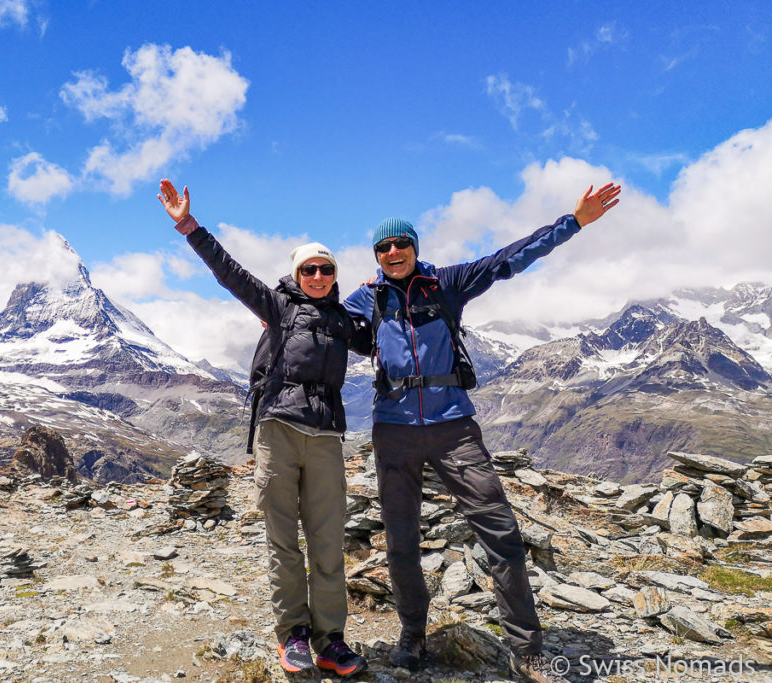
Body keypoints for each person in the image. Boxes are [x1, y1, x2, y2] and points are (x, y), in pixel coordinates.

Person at [343, 183, 621, 682]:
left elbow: (507, 259)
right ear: (376, 256)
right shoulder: (367, 297)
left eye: (400, 244)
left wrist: (573, 222)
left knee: (502, 534)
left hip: (455, 429)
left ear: (414, 247)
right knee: (401, 542)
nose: (392, 252)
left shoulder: (446, 283)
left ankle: (526, 649)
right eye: (383, 248)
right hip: (394, 432)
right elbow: (322, 320)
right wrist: (275, 317)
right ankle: (412, 637)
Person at [157, 179, 367, 678]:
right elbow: (230, 274)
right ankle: (292, 634)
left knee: (328, 539)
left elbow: (389, 335)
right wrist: (189, 226)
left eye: (326, 269)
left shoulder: (345, 319)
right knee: (282, 540)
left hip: (326, 437)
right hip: (277, 430)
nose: (317, 275)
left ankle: (330, 640)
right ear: (297, 273)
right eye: (308, 269)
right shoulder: (277, 306)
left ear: (335, 275)